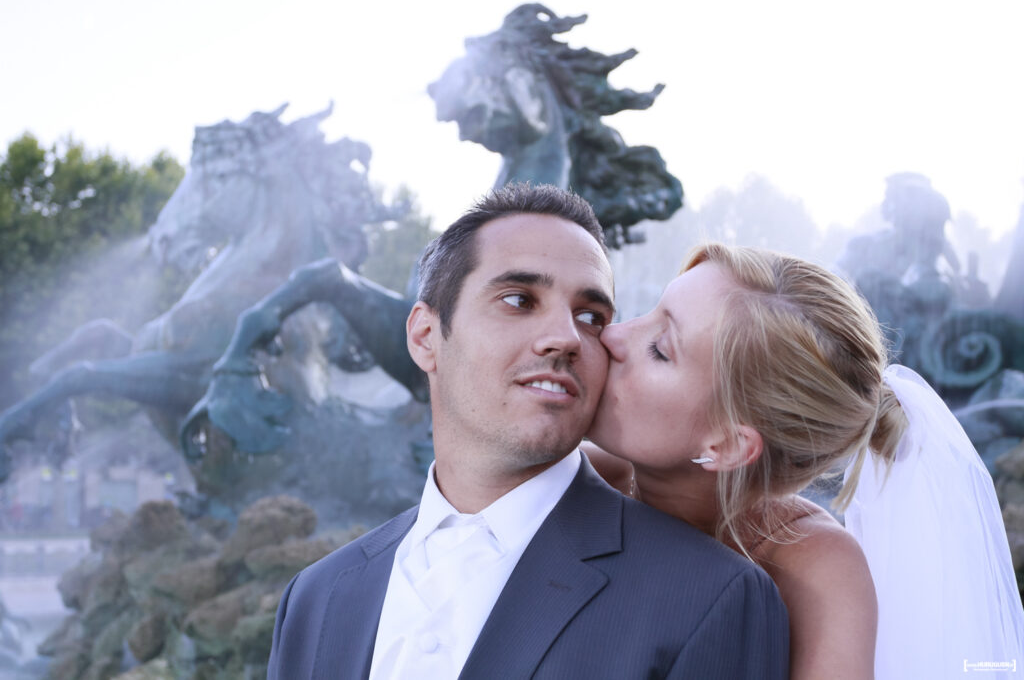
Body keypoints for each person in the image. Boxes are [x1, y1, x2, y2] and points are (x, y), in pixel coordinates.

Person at [267, 185, 790, 679]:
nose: (566, 337)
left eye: (590, 316)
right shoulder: (314, 598)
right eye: (519, 300)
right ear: (426, 336)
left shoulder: (710, 597)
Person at [585, 242, 1024, 680]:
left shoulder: (817, 575)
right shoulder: (577, 475)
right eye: (649, 310)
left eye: (660, 349)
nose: (612, 335)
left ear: (730, 446)